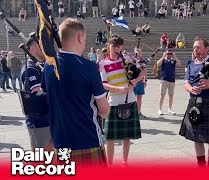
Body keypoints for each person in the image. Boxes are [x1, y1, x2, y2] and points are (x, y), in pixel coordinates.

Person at [43, 18, 110, 164]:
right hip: (87, 141)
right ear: (80, 37)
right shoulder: (89, 67)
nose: (85, 44)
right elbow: (104, 110)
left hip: (60, 142)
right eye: (85, 40)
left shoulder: (48, 66)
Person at [99, 34, 146, 167]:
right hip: (113, 102)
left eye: (118, 46)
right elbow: (103, 84)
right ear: (108, 45)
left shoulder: (127, 59)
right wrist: (118, 89)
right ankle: (109, 165)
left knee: (127, 136)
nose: (116, 49)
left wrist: (135, 82)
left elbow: (143, 72)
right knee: (110, 137)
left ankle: (124, 162)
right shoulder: (103, 64)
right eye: (113, 45)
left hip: (129, 101)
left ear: (121, 47)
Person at [179, 37, 209, 167]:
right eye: (194, 47)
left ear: (206, 48)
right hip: (194, 103)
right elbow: (186, 83)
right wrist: (191, 89)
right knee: (196, 138)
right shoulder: (190, 63)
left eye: (198, 47)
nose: (195, 49)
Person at [21, 37, 53, 151]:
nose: (45, 48)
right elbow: (38, 93)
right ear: (33, 49)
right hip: (39, 121)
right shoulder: (30, 69)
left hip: (47, 118)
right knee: (43, 157)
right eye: (41, 45)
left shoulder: (43, 65)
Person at [156, 49, 181, 115]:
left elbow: (179, 64)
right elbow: (158, 64)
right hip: (164, 80)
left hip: (172, 80)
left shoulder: (173, 60)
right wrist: (163, 56)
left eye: (170, 54)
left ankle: (170, 109)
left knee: (171, 95)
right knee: (162, 95)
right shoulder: (164, 60)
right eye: (168, 53)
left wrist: (175, 56)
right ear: (166, 53)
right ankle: (160, 109)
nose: (169, 55)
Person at [132, 48, 147, 118]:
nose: (139, 52)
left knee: (139, 97)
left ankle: (139, 112)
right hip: (134, 81)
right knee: (132, 98)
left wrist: (146, 80)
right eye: (138, 51)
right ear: (135, 52)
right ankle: (133, 113)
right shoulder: (132, 59)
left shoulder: (142, 60)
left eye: (140, 51)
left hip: (141, 82)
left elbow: (145, 71)